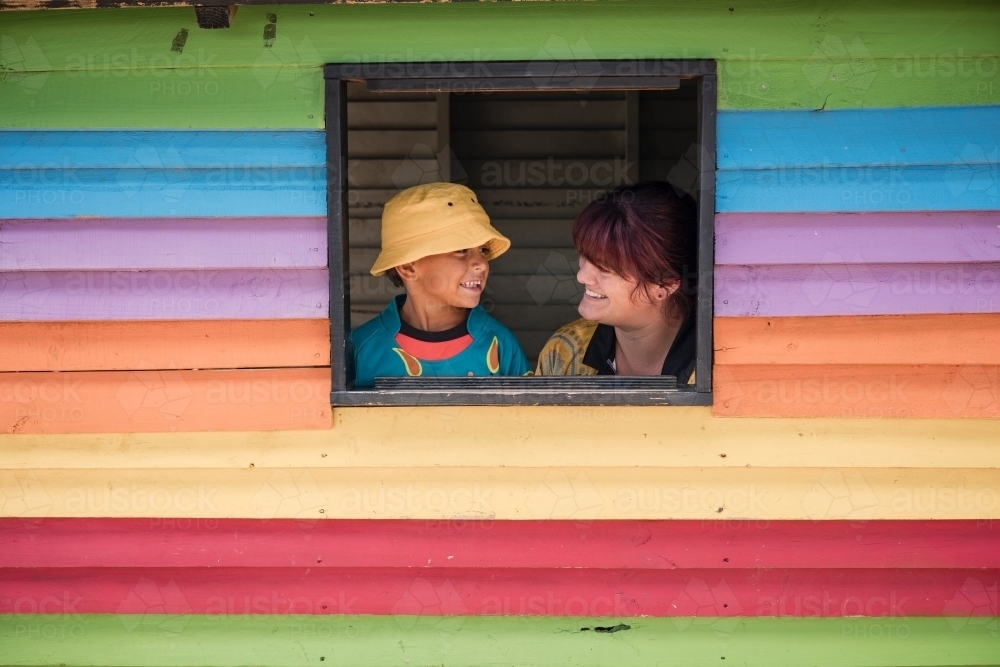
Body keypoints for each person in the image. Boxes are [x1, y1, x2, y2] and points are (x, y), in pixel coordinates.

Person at [351, 182, 530, 387]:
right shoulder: (362, 347)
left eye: (483, 250)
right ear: (408, 267)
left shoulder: (499, 344)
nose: (481, 264)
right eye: (462, 250)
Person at [535, 181, 698, 383]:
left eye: (604, 269)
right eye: (584, 256)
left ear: (665, 284)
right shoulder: (565, 350)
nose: (582, 276)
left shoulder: (718, 367)